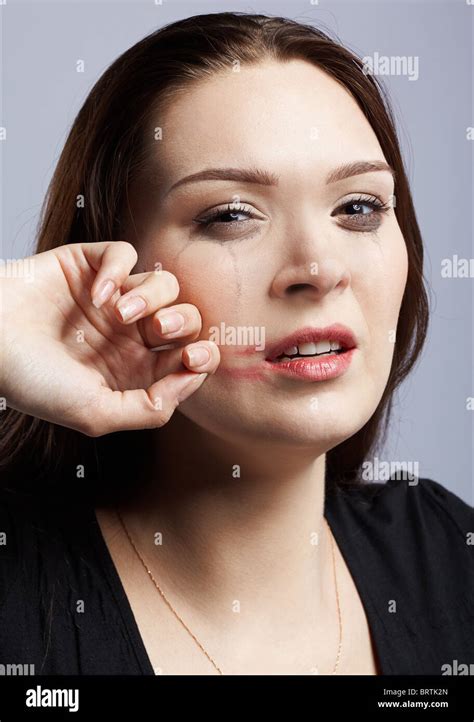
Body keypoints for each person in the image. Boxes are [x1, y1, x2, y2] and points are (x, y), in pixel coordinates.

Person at [0, 12, 473, 676]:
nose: (319, 267)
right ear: (112, 262)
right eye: (230, 215)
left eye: (358, 207)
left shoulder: (450, 556)